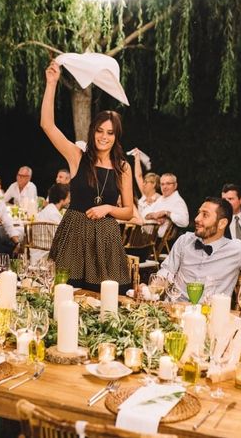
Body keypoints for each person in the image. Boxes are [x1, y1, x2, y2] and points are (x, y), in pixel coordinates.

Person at [41, 61, 133, 292]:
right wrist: (51, 83)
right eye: (100, 130)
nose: (104, 137)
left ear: (116, 136)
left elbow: (129, 211)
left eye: (110, 133)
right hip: (74, 234)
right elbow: (47, 125)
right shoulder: (77, 157)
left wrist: (108, 209)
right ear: (93, 132)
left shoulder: (123, 167)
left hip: (106, 239)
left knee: (107, 297)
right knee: (66, 293)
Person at [158, 197, 241, 300]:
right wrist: (152, 289)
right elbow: (166, 272)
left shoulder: (236, 249)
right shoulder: (184, 240)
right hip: (176, 310)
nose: (197, 219)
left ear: (222, 223)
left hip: (211, 317)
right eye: (198, 213)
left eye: (205, 215)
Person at [143, 173, 189, 238]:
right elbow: (144, 213)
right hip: (148, 237)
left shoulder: (178, 201)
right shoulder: (161, 199)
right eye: (162, 184)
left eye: (168, 184)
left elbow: (185, 222)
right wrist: (154, 216)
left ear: (175, 185)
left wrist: (166, 213)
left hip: (156, 242)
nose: (164, 187)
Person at [131, 149, 161, 217]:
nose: (143, 184)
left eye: (146, 182)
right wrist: (137, 158)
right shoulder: (144, 195)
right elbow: (138, 175)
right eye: (143, 182)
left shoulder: (160, 199)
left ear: (154, 184)